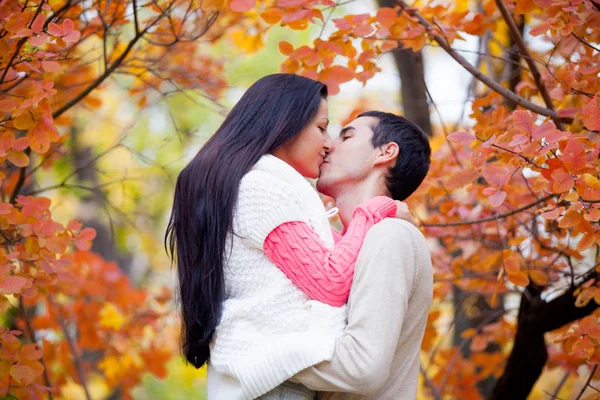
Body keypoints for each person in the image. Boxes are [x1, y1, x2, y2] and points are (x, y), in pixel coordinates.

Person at [165, 74, 411, 400]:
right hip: (275, 388)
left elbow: (325, 261)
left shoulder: (255, 186)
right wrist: (374, 210)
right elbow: (330, 283)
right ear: (285, 124)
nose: (328, 143)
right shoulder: (259, 186)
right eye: (321, 128)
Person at [290, 112, 433, 400]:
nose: (329, 145)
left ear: (386, 152)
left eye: (346, 136)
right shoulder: (344, 243)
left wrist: (252, 353)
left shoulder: (390, 234)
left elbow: (362, 367)